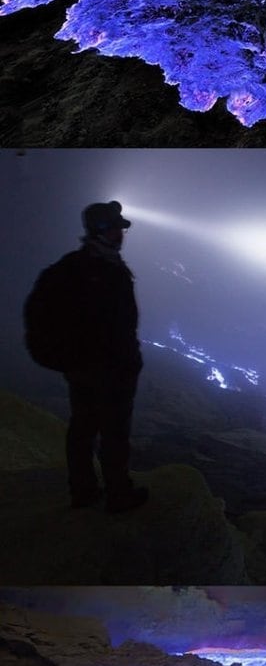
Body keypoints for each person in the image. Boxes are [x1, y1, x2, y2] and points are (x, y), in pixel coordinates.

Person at [25, 201, 148, 513]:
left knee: (82, 429)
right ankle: (118, 495)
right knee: (114, 434)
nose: (122, 233)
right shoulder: (100, 270)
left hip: (85, 369)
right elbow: (116, 324)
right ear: (103, 231)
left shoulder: (74, 267)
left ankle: (83, 492)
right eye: (118, 228)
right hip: (108, 370)